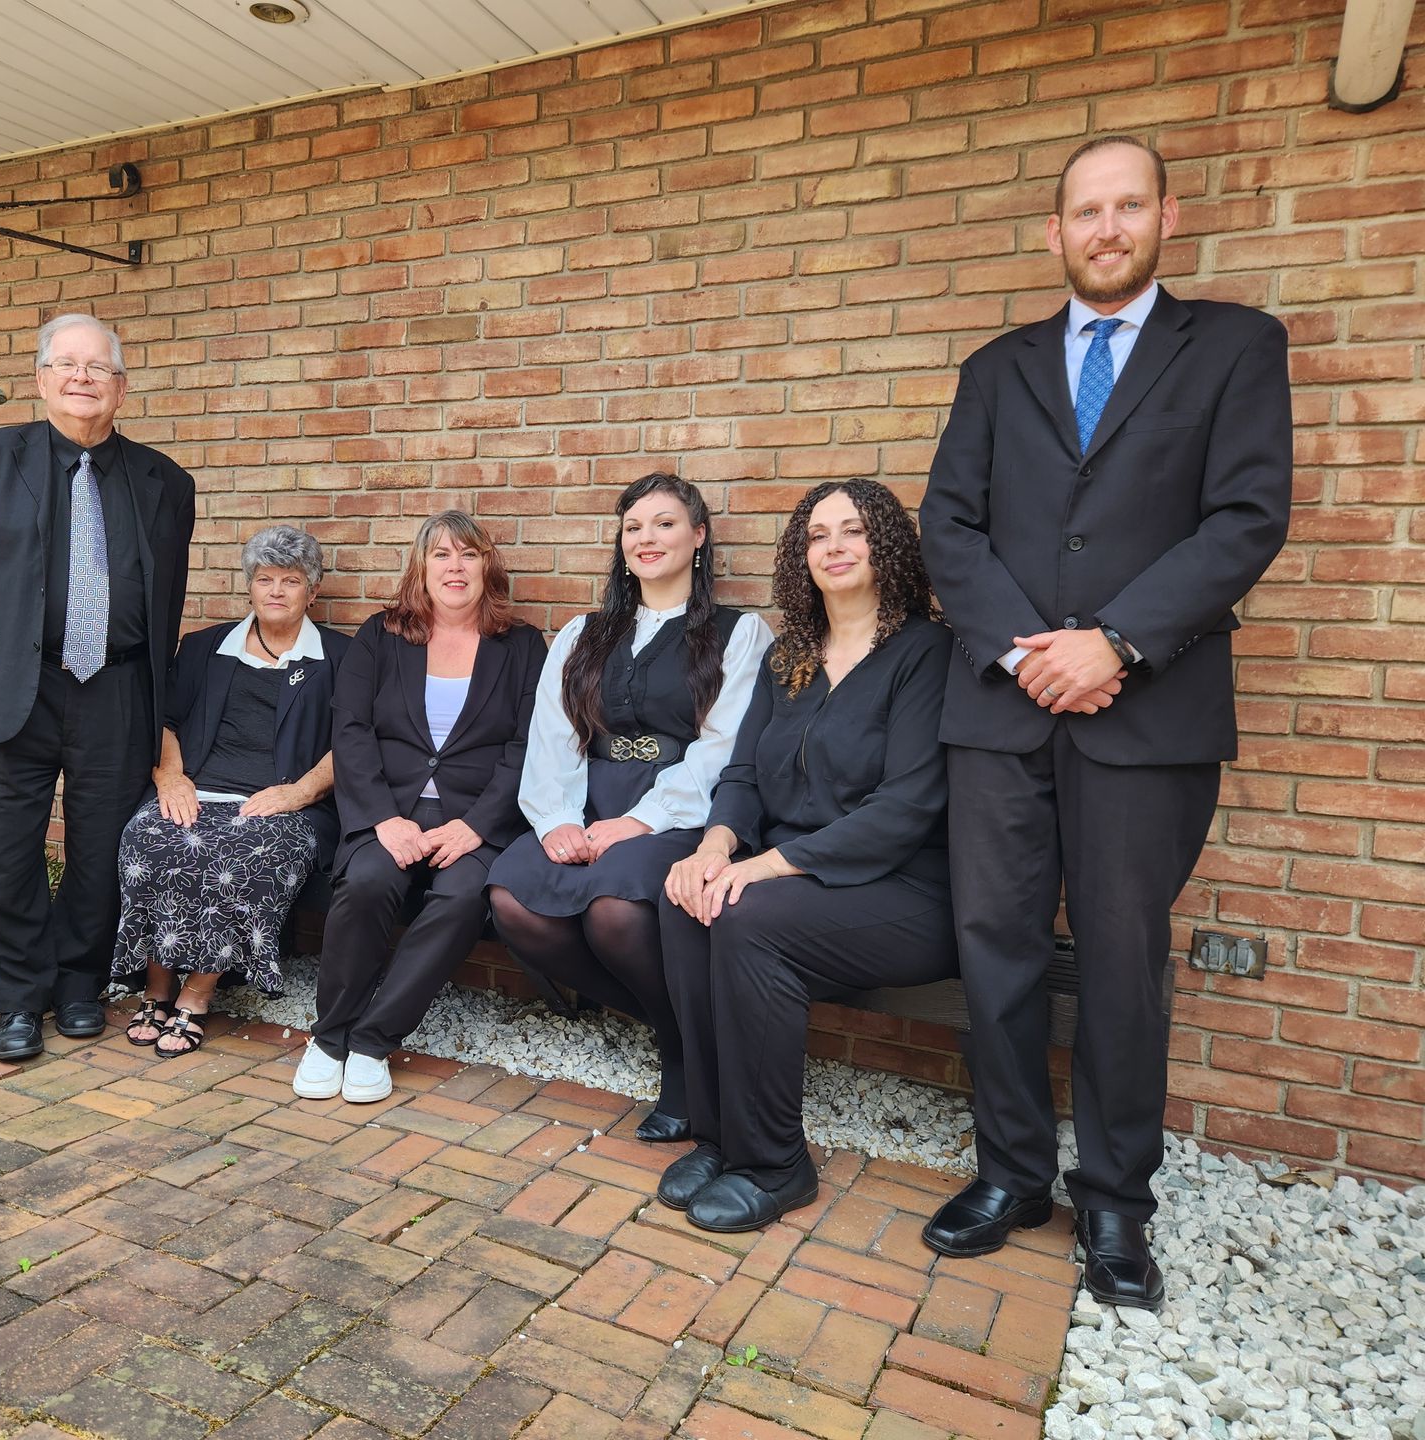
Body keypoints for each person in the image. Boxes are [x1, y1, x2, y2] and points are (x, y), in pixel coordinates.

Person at [918, 136, 1292, 1309]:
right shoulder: (996, 369)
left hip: (1150, 710)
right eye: (1087, 210)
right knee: (998, 949)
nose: (1108, 226)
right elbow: (949, 527)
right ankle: (1012, 1173)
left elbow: (1245, 519)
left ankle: (1118, 1204)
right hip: (1000, 708)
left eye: (1129, 205)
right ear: (1055, 234)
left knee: (1124, 963)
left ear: (1167, 218)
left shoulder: (1234, 346)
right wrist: (1031, 650)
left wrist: (1115, 641)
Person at [656, 481, 955, 1232]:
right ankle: (722, 1136)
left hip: (903, 890)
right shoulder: (789, 653)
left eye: (853, 531)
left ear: (884, 546)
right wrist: (716, 846)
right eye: (818, 535)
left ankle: (774, 1162)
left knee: (748, 914)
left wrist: (758, 868)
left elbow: (906, 808)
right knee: (688, 899)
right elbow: (745, 772)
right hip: (793, 876)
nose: (834, 547)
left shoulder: (926, 651)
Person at [0, 312, 196, 1063]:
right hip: (17, 683)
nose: (83, 378)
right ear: (42, 380)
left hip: (115, 690)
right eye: (67, 365)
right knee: (4, 851)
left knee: (101, 849)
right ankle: (16, 997)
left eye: (99, 368)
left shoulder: (165, 483)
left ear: (122, 387)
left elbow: (168, 605)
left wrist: (160, 708)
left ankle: (80, 983)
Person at [487, 474, 768, 1141]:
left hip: (680, 811)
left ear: (698, 538)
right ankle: (677, 1020)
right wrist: (557, 820)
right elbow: (552, 734)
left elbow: (725, 746)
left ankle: (681, 1062)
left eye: (665, 523)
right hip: (588, 799)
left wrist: (640, 822)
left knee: (617, 910)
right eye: (634, 526)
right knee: (513, 897)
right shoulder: (584, 632)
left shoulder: (738, 632)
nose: (647, 538)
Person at [294, 511, 547, 1105]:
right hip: (388, 812)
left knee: (461, 897)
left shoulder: (522, 646)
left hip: (475, 820)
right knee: (366, 884)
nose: (454, 568)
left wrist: (478, 825)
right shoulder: (381, 636)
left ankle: (372, 1041)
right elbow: (351, 733)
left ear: (488, 565)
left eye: (468, 554)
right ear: (420, 566)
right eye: (440, 555)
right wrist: (383, 817)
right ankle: (329, 1037)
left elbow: (526, 747)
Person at [114, 526, 348, 1056]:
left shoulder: (340, 657)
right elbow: (167, 722)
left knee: (240, 854)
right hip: (200, 789)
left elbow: (351, 742)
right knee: (148, 836)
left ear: (312, 591)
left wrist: (301, 793)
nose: (276, 591)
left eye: (291, 580)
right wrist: (171, 778)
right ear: (249, 586)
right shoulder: (202, 648)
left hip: (284, 802)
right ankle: (156, 986)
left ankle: (197, 995)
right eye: (265, 579)